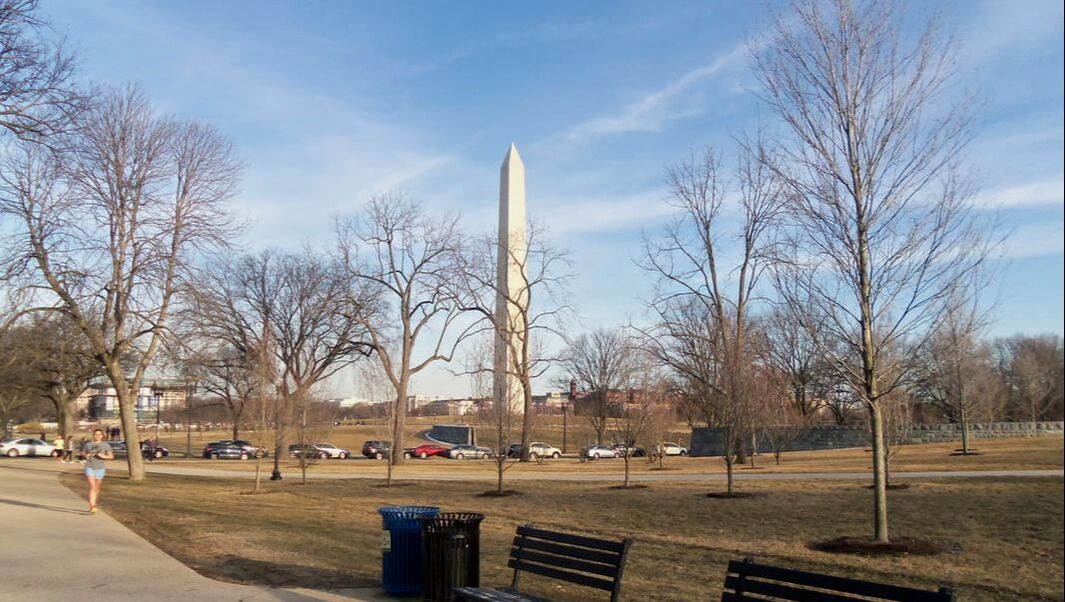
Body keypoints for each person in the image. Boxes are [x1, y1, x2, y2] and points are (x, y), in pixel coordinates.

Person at [82, 429, 114, 515]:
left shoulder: (105, 445)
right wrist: (86, 455)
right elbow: (83, 453)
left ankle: (94, 503)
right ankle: (92, 506)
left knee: (96, 488)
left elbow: (111, 456)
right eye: (96, 434)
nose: (97, 436)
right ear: (93, 435)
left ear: (102, 436)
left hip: (100, 468)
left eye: (99, 434)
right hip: (90, 467)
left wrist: (103, 456)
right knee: (92, 487)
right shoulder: (88, 444)